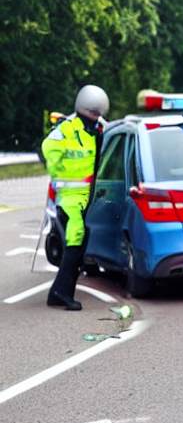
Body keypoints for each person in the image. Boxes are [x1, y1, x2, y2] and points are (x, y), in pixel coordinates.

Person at [41, 85, 109, 310]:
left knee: (78, 248)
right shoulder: (69, 128)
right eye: (95, 110)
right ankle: (61, 293)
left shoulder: (96, 129)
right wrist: (60, 170)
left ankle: (59, 293)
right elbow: (48, 147)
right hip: (69, 198)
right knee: (74, 245)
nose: (97, 115)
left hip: (83, 198)